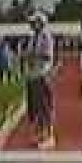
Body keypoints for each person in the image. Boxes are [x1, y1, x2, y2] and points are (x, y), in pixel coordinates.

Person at [25, 11, 56, 149]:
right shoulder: (33, 37)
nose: (31, 25)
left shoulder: (46, 37)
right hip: (34, 74)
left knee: (45, 106)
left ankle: (49, 135)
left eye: (34, 22)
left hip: (43, 73)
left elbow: (47, 56)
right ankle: (41, 133)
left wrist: (33, 56)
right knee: (37, 107)